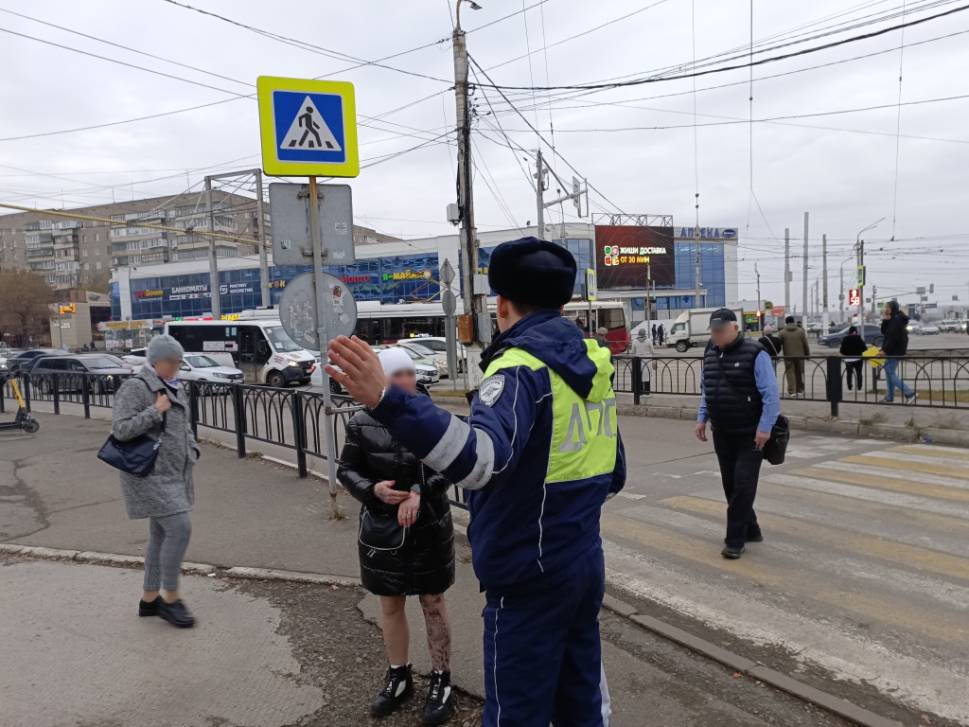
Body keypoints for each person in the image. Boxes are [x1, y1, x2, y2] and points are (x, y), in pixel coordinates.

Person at [326, 237, 625, 727]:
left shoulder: (518, 369)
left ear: (501, 305)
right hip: (582, 563)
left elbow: (480, 463)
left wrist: (388, 400)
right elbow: (613, 471)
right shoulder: (592, 365)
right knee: (579, 702)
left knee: (517, 712)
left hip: (528, 571)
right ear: (563, 302)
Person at [338, 347, 456, 724]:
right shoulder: (361, 422)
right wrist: (374, 491)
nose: (406, 380)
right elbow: (347, 470)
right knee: (390, 604)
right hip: (382, 529)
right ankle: (399, 674)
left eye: (409, 372)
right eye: (396, 374)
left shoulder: (433, 416)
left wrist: (421, 493)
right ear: (381, 379)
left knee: (432, 602)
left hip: (429, 524)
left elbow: (453, 465)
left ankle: (441, 678)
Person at [111, 334, 199, 628]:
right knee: (180, 529)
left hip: (176, 472)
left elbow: (183, 426)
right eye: (171, 362)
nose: (175, 367)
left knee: (160, 536)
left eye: (178, 362)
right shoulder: (136, 388)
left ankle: (149, 600)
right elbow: (121, 430)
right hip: (149, 474)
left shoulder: (174, 386)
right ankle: (171, 599)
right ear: (155, 361)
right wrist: (154, 411)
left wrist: (192, 448)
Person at [695, 309, 780, 559]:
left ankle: (735, 540)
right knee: (730, 484)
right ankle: (751, 528)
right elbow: (707, 390)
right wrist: (702, 419)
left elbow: (770, 395)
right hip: (722, 432)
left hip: (750, 434)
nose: (716, 335)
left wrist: (765, 427)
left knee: (743, 484)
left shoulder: (756, 353)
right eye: (713, 330)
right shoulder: (711, 354)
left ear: (735, 328)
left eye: (720, 330)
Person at [880, 300, 916, 404]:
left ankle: (909, 393)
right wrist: (885, 320)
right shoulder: (893, 319)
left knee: (890, 372)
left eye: (887, 307)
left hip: (894, 351)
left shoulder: (896, 320)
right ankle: (890, 397)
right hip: (893, 350)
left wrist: (884, 350)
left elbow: (893, 338)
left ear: (892, 309)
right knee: (889, 373)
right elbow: (884, 332)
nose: (885, 309)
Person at [778, 316, 810, 398]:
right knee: (800, 372)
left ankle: (792, 391)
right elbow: (805, 344)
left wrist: (777, 354)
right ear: (793, 321)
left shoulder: (782, 332)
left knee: (790, 373)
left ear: (786, 322)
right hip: (800, 356)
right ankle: (800, 390)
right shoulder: (801, 331)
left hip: (788, 356)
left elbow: (778, 345)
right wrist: (807, 355)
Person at [839, 325, 867, 391]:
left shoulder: (845, 339)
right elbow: (865, 349)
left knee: (849, 374)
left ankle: (849, 386)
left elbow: (841, 351)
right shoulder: (859, 338)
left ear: (849, 331)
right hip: (858, 359)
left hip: (848, 360)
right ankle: (859, 386)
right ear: (856, 331)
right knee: (859, 373)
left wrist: (847, 353)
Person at [630, 328, 652, 395]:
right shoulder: (649, 341)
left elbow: (633, 351)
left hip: (638, 360)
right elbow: (652, 351)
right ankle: (647, 392)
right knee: (647, 376)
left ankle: (640, 391)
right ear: (645, 333)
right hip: (647, 360)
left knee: (639, 375)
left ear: (638, 333)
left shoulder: (634, 341)